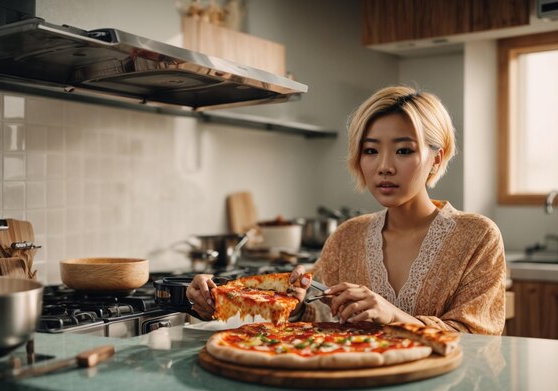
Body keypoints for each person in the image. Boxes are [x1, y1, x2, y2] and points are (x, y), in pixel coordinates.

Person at [187, 85, 506, 335]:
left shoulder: (476, 236)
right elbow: (319, 317)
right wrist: (289, 306)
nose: (384, 167)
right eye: (370, 150)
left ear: (437, 158)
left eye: (403, 150)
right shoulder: (347, 236)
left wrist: (392, 315)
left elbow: (478, 339)